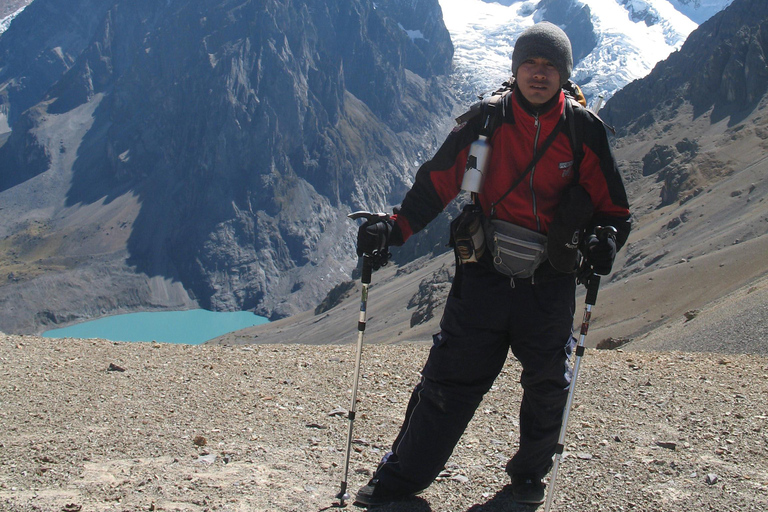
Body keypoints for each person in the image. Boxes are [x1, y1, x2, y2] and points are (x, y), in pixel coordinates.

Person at [354, 21, 631, 506]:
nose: (538, 74)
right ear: (516, 68)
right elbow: (436, 183)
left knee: (548, 385)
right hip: (483, 272)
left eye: (549, 66)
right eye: (530, 63)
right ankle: (398, 480)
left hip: (549, 279)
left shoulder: (583, 131)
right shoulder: (486, 120)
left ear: (563, 74)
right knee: (448, 382)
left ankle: (528, 477)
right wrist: (393, 229)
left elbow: (615, 209)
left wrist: (607, 239)